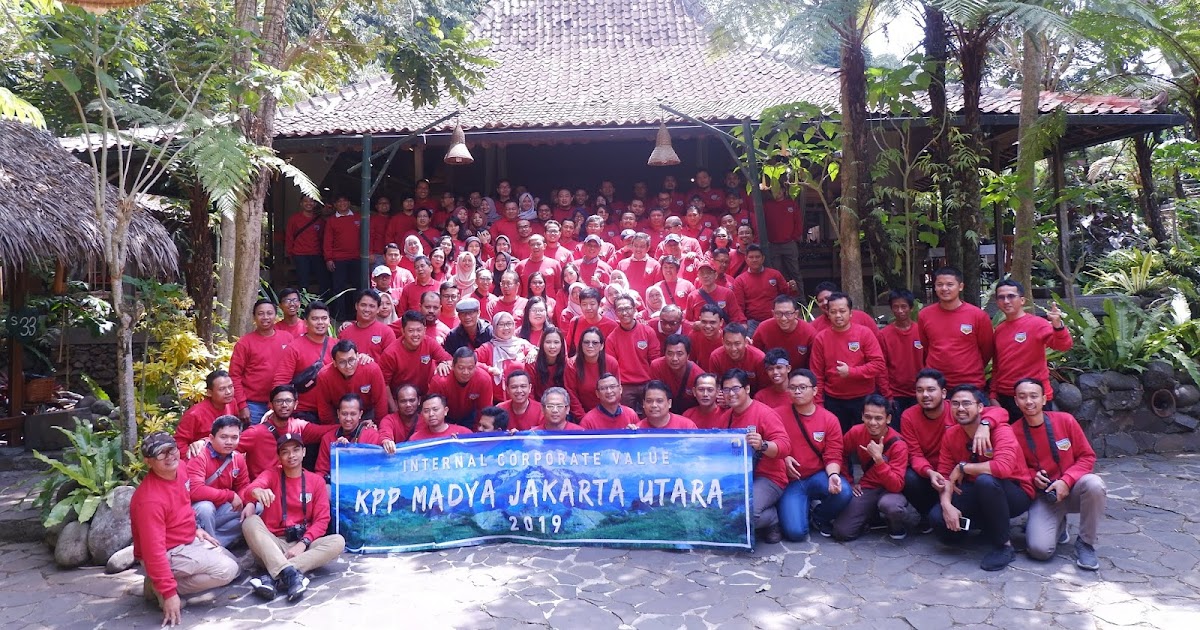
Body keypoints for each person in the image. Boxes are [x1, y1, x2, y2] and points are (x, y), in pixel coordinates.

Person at [131, 432, 239, 626]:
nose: (169, 456)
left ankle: (157, 582)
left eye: (171, 449)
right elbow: (153, 551)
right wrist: (169, 593)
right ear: (148, 461)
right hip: (168, 551)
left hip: (186, 540)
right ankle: (160, 587)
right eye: (161, 453)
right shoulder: (149, 501)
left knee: (235, 564)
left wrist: (195, 528)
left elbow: (183, 504)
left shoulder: (180, 468)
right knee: (227, 570)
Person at [932, 385, 1034, 571]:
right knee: (938, 520)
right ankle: (988, 526)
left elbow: (1002, 469)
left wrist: (963, 467)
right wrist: (947, 506)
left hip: (1014, 491)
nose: (960, 408)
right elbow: (945, 474)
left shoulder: (1001, 431)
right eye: (955, 404)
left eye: (966, 403)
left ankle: (1004, 546)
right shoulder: (951, 434)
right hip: (977, 490)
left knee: (986, 481)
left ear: (980, 407)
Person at [1011, 379, 1105, 570]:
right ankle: (1059, 526)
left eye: (1034, 396)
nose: (1028, 401)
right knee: (1039, 550)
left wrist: (1066, 481)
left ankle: (1086, 543)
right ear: (1016, 401)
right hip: (1045, 495)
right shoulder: (1013, 431)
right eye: (1022, 397)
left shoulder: (1065, 421)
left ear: (1044, 399)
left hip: (1073, 488)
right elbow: (1015, 468)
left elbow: (1087, 457)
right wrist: (1032, 476)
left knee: (1094, 484)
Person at [240, 433, 346, 602]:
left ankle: (275, 574)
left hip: (303, 543)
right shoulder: (271, 474)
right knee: (250, 522)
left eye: (296, 450)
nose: (291, 455)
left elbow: (322, 520)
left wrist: (303, 544)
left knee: (338, 541)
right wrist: (256, 491)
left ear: (304, 452)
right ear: (278, 456)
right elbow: (251, 489)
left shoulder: (316, 481)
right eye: (285, 452)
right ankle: (290, 574)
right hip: (273, 544)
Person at [774, 369, 850, 541]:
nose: (797, 391)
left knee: (844, 491)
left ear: (815, 390)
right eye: (793, 387)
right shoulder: (776, 414)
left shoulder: (829, 419)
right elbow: (768, 443)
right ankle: (798, 509)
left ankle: (819, 516)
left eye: (802, 387)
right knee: (795, 533)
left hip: (818, 475)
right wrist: (782, 457)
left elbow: (833, 452)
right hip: (792, 481)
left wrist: (833, 475)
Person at [720, 369, 791, 545]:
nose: (731, 394)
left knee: (743, 514)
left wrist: (763, 445)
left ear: (747, 389)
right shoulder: (725, 417)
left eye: (735, 388)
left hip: (769, 477)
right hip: (738, 478)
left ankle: (772, 518)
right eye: (726, 390)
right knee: (718, 512)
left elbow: (785, 447)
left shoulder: (765, 413)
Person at [832, 394, 918, 541]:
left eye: (878, 418)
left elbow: (896, 485)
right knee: (842, 531)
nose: (872, 423)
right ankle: (871, 517)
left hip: (891, 490)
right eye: (868, 417)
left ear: (888, 419)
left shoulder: (899, 444)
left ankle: (897, 525)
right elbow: (840, 453)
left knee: (891, 506)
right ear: (862, 416)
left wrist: (879, 460)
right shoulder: (856, 432)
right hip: (868, 486)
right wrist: (849, 481)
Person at [991, 280, 1073, 422]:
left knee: (1041, 435)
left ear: (1022, 300)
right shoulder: (999, 330)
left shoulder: (1037, 324)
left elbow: (1063, 346)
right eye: (1001, 297)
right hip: (1006, 396)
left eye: (1011, 296)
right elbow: (997, 366)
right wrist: (993, 394)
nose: (1006, 301)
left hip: (1034, 396)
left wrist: (1058, 326)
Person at [809, 292, 886, 434]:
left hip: (864, 398)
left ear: (850, 313)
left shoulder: (864, 333)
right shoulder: (821, 338)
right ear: (828, 314)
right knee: (838, 438)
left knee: (865, 437)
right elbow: (816, 375)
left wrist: (851, 372)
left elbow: (878, 364)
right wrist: (818, 404)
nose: (838, 315)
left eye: (842, 311)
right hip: (834, 400)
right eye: (833, 312)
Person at [918, 267, 994, 390]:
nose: (944, 288)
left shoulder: (978, 316)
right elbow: (926, 346)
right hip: (935, 383)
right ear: (935, 287)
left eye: (950, 284)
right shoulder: (924, 315)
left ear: (960, 286)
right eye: (939, 285)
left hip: (969, 383)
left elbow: (986, 350)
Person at [239, 385, 337, 479]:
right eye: (279, 401)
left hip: (290, 486)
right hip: (262, 487)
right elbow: (231, 449)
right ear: (271, 405)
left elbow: (329, 430)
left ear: (296, 404)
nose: (284, 405)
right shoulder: (256, 432)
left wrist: (344, 433)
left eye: (289, 401)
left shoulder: (299, 427)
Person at [186, 415, 251, 547]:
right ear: (211, 438)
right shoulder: (199, 455)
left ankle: (214, 541)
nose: (229, 442)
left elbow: (243, 485)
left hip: (220, 508)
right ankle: (211, 548)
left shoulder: (237, 458)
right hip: (195, 510)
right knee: (205, 507)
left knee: (256, 508)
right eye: (223, 437)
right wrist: (229, 495)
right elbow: (195, 490)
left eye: (234, 437)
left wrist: (249, 502)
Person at [231, 299, 294, 425]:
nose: (265, 317)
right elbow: (234, 375)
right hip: (253, 404)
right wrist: (242, 405)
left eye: (269, 313)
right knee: (255, 436)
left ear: (276, 315)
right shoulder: (244, 343)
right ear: (254, 317)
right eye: (260, 313)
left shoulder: (287, 338)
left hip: (282, 403)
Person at [272, 301, 335, 422]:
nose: (320, 322)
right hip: (303, 413)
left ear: (329, 321)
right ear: (305, 322)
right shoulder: (294, 348)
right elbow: (281, 380)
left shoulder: (337, 346)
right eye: (315, 319)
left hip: (332, 411)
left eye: (324, 318)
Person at [606, 293, 662, 413]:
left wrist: (654, 384)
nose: (624, 313)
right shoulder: (612, 338)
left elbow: (655, 359)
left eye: (627, 308)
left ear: (634, 309)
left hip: (647, 384)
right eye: (620, 310)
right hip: (625, 387)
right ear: (615, 312)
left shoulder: (647, 332)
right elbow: (611, 366)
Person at [313, 339, 389, 425]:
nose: (348, 366)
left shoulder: (372, 369)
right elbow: (324, 409)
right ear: (334, 362)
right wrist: (334, 429)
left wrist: (377, 425)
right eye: (342, 362)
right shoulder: (324, 376)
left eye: (351, 360)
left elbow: (381, 402)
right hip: (340, 416)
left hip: (367, 414)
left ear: (357, 356)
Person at [378, 310, 452, 396]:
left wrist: (444, 363)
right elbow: (384, 384)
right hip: (400, 399)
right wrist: (393, 404)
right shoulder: (390, 353)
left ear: (424, 330)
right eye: (411, 330)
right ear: (403, 331)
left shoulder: (429, 343)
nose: (415, 334)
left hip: (424, 396)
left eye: (419, 330)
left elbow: (450, 360)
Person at [877, 289, 923, 425]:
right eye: (896, 307)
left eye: (904, 306)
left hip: (919, 392)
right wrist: (887, 394)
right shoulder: (883, 335)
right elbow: (881, 367)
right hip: (895, 394)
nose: (900, 311)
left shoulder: (921, 331)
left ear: (911, 308)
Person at [315, 393, 382, 479]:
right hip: (335, 483)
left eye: (353, 414)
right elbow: (321, 472)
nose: (348, 418)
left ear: (360, 414)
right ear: (338, 413)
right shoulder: (327, 438)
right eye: (344, 414)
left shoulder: (371, 435)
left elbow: (375, 468)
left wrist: (347, 452)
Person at [175, 370, 238, 460]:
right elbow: (179, 443)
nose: (228, 392)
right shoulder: (195, 414)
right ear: (209, 393)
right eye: (222, 389)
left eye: (230, 387)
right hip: (202, 459)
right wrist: (192, 459)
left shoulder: (232, 403)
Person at [475, 311, 537, 402]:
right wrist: (488, 369)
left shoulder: (522, 344)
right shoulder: (487, 348)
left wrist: (534, 351)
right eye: (501, 324)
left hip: (522, 399)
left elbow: (538, 353)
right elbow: (470, 362)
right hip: (497, 401)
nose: (506, 328)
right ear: (494, 327)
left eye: (509, 324)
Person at [732, 244, 792, 333]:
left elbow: (786, 296)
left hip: (775, 319)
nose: (754, 260)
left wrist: (792, 289)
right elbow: (738, 306)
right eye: (751, 257)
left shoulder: (775, 274)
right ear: (746, 259)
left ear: (763, 258)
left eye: (757, 257)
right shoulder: (740, 280)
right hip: (753, 322)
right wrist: (742, 322)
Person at [430, 347, 494, 428]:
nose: (466, 372)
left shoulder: (484, 379)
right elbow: (432, 409)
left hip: (470, 416)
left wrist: (477, 431)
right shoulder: (440, 381)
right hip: (444, 417)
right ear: (453, 366)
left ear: (475, 366)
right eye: (461, 368)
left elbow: (485, 410)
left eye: (470, 368)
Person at [565, 327, 620, 419]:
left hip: (608, 412)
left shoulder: (611, 363)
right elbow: (571, 395)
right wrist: (584, 418)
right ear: (581, 345)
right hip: (582, 415)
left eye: (595, 343)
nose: (590, 346)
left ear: (602, 346)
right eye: (586, 342)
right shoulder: (572, 365)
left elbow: (616, 391)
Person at [322, 194, 362, 319]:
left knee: (358, 287)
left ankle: (358, 315)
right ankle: (340, 316)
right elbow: (327, 241)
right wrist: (328, 258)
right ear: (335, 205)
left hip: (357, 258)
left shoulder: (358, 217)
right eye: (339, 201)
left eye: (345, 201)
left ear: (349, 203)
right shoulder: (332, 220)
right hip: (339, 259)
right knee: (338, 288)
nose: (342, 203)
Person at [752, 295, 815, 371]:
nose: (783, 318)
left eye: (788, 314)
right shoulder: (764, 328)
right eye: (778, 313)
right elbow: (754, 355)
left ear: (796, 314)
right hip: (772, 372)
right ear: (773, 313)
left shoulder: (809, 332)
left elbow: (815, 363)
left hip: (799, 374)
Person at [763, 188, 805, 294]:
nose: (777, 193)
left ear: (783, 191)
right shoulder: (766, 206)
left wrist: (794, 237)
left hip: (789, 243)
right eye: (774, 190)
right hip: (773, 244)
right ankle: (781, 298)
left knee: (795, 272)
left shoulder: (791, 204)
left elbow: (798, 222)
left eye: (779, 190)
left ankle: (800, 299)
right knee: (777, 273)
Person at [649, 334, 703, 414]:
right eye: (670, 353)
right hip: (663, 411)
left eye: (679, 354)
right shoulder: (657, 366)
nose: (674, 358)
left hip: (690, 413)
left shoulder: (697, 374)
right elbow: (654, 394)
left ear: (688, 356)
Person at [337, 289, 396, 359]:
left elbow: (391, 361)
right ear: (356, 306)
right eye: (363, 305)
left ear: (378, 309)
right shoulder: (345, 332)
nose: (367, 309)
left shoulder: (386, 332)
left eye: (372, 306)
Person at [285, 196, 327, 295]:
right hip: (300, 254)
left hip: (317, 254)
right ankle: (304, 303)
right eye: (305, 201)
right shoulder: (294, 219)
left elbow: (323, 238)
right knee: (303, 282)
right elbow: (289, 236)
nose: (309, 203)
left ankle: (323, 302)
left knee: (323, 280)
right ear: (301, 203)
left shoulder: (320, 220)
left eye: (311, 201)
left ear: (315, 204)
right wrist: (290, 253)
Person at [685, 257, 745, 325]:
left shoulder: (728, 293)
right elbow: (687, 321)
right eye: (702, 273)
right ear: (698, 276)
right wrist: (694, 325)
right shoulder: (692, 297)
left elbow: (736, 317)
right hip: (700, 331)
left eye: (709, 273)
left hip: (722, 331)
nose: (705, 276)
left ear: (715, 275)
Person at [809, 282, 877, 333]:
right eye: (820, 301)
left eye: (828, 298)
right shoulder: (814, 326)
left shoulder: (862, 318)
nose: (825, 302)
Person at [567, 288, 618, 353]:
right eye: (584, 304)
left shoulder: (612, 326)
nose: (588, 308)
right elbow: (568, 347)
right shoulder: (575, 322)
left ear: (599, 304)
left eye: (592, 304)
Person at [410, 393, 475, 441]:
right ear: (422, 414)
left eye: (435, 409)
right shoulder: (415, 439)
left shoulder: (463, 433)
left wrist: (461, 446)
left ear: (445, 411)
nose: (431, 414)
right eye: (426, 411)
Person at [379, 384, 421, 453]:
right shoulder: (389, 420)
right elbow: (385, 436)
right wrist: (386, 442)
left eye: (412, 400)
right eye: (403, 401)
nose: (408, 405)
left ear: (419, 401)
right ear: (396, 403)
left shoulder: (426, 420)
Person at [530, 328, 568, 402]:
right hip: (538, 405)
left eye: (556, 342)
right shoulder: (532, 364)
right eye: (548, 342)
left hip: (561, 405)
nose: (552, 346)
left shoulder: (567, 365)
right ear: (542, 344)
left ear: (562, 345)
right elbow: (530, 393)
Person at [687, 304, 726, 372]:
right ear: (699, 320)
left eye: (712, 322)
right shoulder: (694, 335)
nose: (708, 326)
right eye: (704, 322)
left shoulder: (727, 340)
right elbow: (690, 363)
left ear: (721, 322)